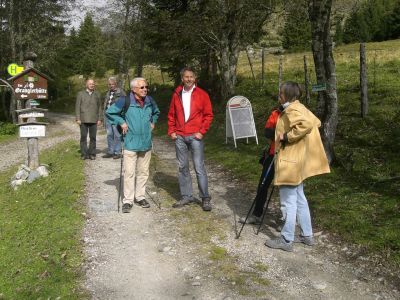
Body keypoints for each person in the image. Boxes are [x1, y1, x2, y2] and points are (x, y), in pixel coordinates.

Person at [265, 81, 330, 252]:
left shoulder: (292, 110)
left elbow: (307, 125)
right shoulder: (299, 107)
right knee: (300, 199)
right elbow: (315, 122)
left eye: (280, 93)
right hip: (297, 161)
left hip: (290, 163)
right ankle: (307, 236)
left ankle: (286, 239)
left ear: (286, 95)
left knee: (288, 203)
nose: (279, 95)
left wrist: (286, 136)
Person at [106, 77, 160, 213]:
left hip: (146, 142)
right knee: (129, 173)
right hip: (130, 142)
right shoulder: (125, 100)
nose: (145, 89)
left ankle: (140, 197)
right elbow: (110, 112)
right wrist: (121, 122)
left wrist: (153, 122)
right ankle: (128, 201)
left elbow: (156, 112)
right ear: (133, 89)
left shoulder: (149, 100)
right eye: (142, 87)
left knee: (143, 172)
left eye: (146, 87)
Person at [167, 67, 214, 211]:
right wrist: (172, 131)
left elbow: (208, 115)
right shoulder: (177, 94)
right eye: (186, 77)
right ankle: (186, 196)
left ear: (195, 78)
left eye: (191, 77)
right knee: (182, 167)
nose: (189, 79)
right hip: (180, 135)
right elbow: (171, 114)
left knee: (199, 167)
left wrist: (201, 132)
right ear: (182, 78)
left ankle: (205, 197)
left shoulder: (202, 94)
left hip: (195, 136)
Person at [239, 106, 282, 224]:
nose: (280, 98)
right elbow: (267, 132)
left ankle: (285, 220)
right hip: (273, 154)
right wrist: (282, 135)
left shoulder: (296, 112)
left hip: (289, 157)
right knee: (262, 185)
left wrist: (280, 133)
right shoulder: (276, 113)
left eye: (282, 95)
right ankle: (256, 215)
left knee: (285, 189)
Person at [75, 79, 103, 160]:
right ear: (86, 85)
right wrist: (78, 118)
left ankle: (92, 154)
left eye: (93, 84)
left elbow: (100, 107)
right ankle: (84, 154)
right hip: (83, 119)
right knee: (83, 137)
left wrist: (100, 119)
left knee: (93, 137)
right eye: (90, 84)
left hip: (94, 119)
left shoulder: (97, 94)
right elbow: (77, 107)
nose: (92, 85)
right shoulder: (80, 94)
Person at [102, 77, 126, 159]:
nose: (111, 86)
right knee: (109, 134)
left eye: (113, 84)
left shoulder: (121, 92)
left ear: (116, 84)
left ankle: (117, 152)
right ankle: (110, 151)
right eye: (110, 84)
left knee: (117, 134)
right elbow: (105, 104)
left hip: (116, 116)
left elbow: (124, 104)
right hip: (107, 116)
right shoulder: (108, 92)